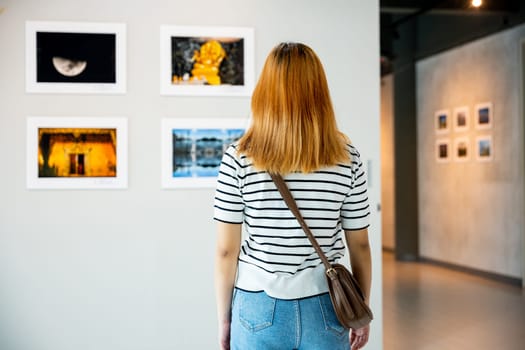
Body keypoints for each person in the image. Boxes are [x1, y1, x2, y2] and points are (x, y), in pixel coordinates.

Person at [214, 42, 372, 350]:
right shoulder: (347, 156)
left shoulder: (239, 157)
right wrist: (360, 309)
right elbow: (361, 244)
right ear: (319, 91)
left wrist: (224, 319)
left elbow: (225, 251)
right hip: (326, 306)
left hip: (256, 305)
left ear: (265, 91)